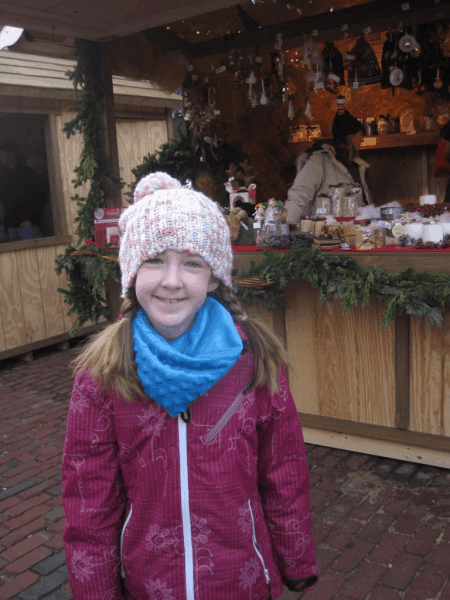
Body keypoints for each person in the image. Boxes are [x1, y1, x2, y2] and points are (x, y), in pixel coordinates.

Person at [62, 172, 318, 600]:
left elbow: (284, 470)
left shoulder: (254, 361)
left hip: (242, 581)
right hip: (148, 584)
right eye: (155, 259)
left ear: (215, 277)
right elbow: (90, 502)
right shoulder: (103, 374)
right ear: (131, 271)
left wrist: (297, 560)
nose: (173, 280)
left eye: (193, 262)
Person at [285, 100, 372, 226]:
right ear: (350, 137)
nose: (362, 139)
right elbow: (299, 194)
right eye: (360, 134)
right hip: (328, 233)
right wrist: (286, 225)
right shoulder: (319, 161)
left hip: (355, 233)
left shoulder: (356, 165)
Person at [0, 140, 47, 239]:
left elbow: (42, 198)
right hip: (11, 229)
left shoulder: (28, 173)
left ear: (11, 153)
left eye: (1, 151)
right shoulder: (4, 177)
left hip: (28, 227)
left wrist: (31, 220)